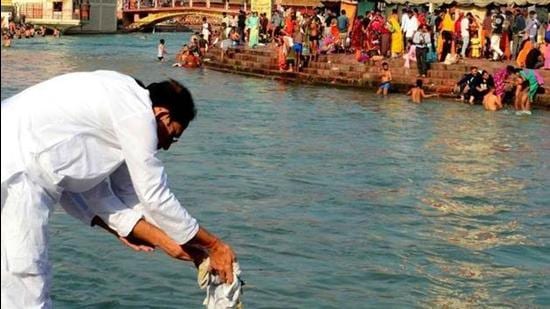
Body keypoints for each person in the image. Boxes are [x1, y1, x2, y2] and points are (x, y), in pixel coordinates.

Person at [1, 71, 237, 307]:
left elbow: (113, 197)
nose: (166, 146)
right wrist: (214, 245)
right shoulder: (138, 111)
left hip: (15, 165)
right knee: (27, 283)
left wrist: (179, 247)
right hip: (16, 172)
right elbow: (154, 196)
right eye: (171, 135)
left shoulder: (117, 112)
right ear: (161, 114)